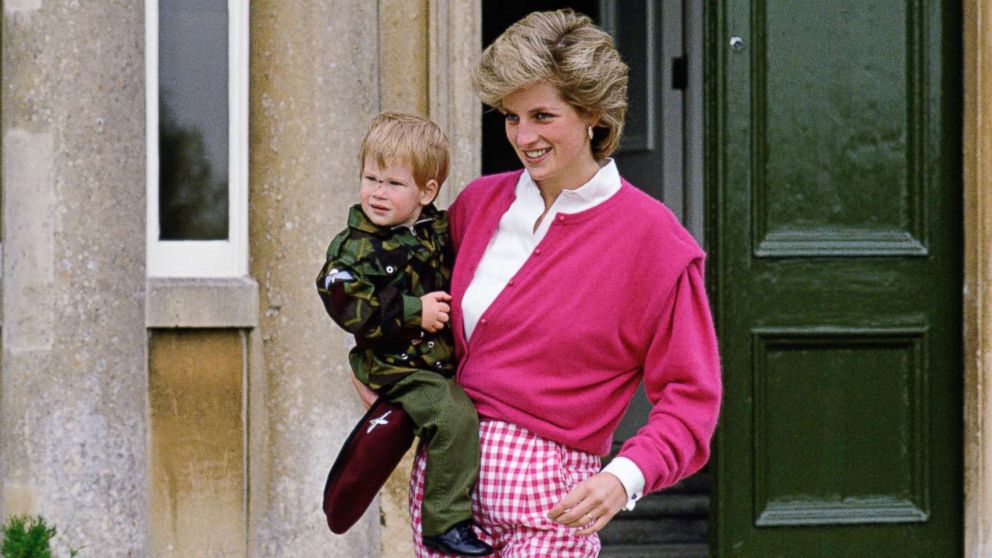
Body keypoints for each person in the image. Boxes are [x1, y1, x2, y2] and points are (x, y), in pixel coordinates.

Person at [369, 9, 722, 557]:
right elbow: (405, 302)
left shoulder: (654, 241)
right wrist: (377, 363)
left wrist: (624, 477)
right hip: (445, 490)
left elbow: (691, 399)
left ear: (594, 115)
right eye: (511, 117)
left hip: (552, 494)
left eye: (542, 115)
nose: (523, 136)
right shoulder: (476, 206)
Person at [317, 112, 493, 556]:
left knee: (439, 419)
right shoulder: (355, 245)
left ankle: (383, 432)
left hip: (429, 360)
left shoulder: (434, 231)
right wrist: (415, 311)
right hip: (395, 364)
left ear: (426, 192)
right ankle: (444, 523)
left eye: (393, 184)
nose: (378, 192)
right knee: (454, 415)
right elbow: (346, 304)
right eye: (371, 178)